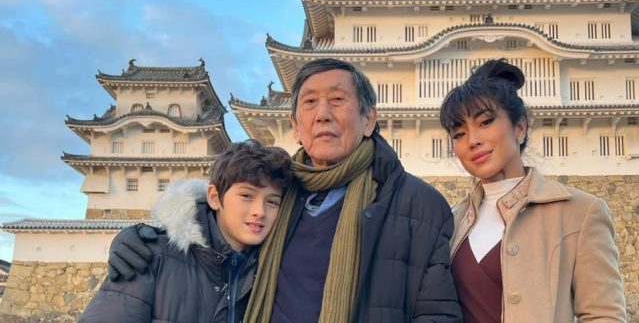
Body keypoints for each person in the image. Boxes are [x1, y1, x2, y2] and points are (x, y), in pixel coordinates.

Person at [106, 58, 462, 323]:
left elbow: (437, 314)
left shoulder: (418, 205)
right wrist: (151, 238)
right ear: (295, 125)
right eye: (309, 102)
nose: (322, 114)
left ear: (369, 119)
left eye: (338, 100)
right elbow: (216, 233)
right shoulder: (278, 192)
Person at [440, 59, 627, 322]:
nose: (473, 141)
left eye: (485, 122)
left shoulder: (580, 212)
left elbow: (603, 314)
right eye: (459, 134)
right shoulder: (452, 221)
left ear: (520, 127)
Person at [80, 139, 293, 323]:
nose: (260, 211)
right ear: (214, 197)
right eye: (246, 196)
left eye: (272, 202)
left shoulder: (269, 271)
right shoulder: (150, 256)